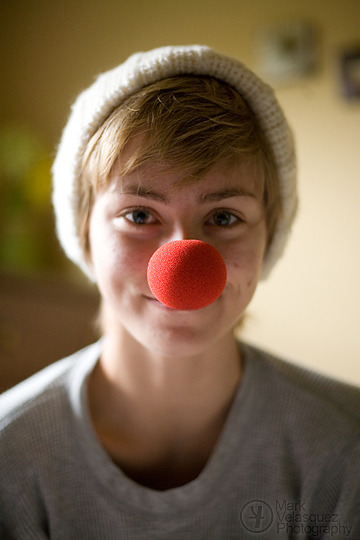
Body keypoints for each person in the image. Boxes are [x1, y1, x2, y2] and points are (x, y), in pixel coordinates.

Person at [1, 45, 359, 539]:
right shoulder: (9, 457)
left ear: (268, 238)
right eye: (140, 215)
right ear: (84, 233)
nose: (183, 263)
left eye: (224, 218)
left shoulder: (346, 447)